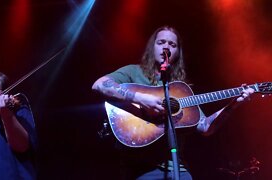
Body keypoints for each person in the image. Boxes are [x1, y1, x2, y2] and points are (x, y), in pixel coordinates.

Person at [92, 25, 254, 179]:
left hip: (178, 169)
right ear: (152, 47)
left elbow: (206, 127)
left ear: (177, 52)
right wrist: (140, 98)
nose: (166, 47)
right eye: (161, 42)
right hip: (141, 168)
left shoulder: (181, 90)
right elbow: (99, 84)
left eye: (172, 44)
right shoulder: (134, 72)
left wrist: (234, 104)